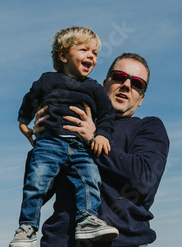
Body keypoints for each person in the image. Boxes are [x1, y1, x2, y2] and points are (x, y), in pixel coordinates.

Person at [39, 52, 170, 247]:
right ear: (103, 84)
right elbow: (40, 191)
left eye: (137, 84)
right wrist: (41, 144)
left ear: (141, 98)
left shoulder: (148, 127)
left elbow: (144, 179)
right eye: (119, 77)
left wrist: (93, 139)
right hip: (59, 242)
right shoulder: (74, 125)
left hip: (117, 241)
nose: (126, 85)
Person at [10, 27, 119, 247]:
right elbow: (30, 100)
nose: (91, 56)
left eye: (95, 53)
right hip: (49, 142)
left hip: (80, 146)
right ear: (63, 55)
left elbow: (107, 114)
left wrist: (102, 134)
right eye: (84, 50)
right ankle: (27, 227)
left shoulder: (95, 88)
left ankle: (87, 220)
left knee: (89, 178)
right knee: (36, 181)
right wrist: (24, 122)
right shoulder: (47, 80)